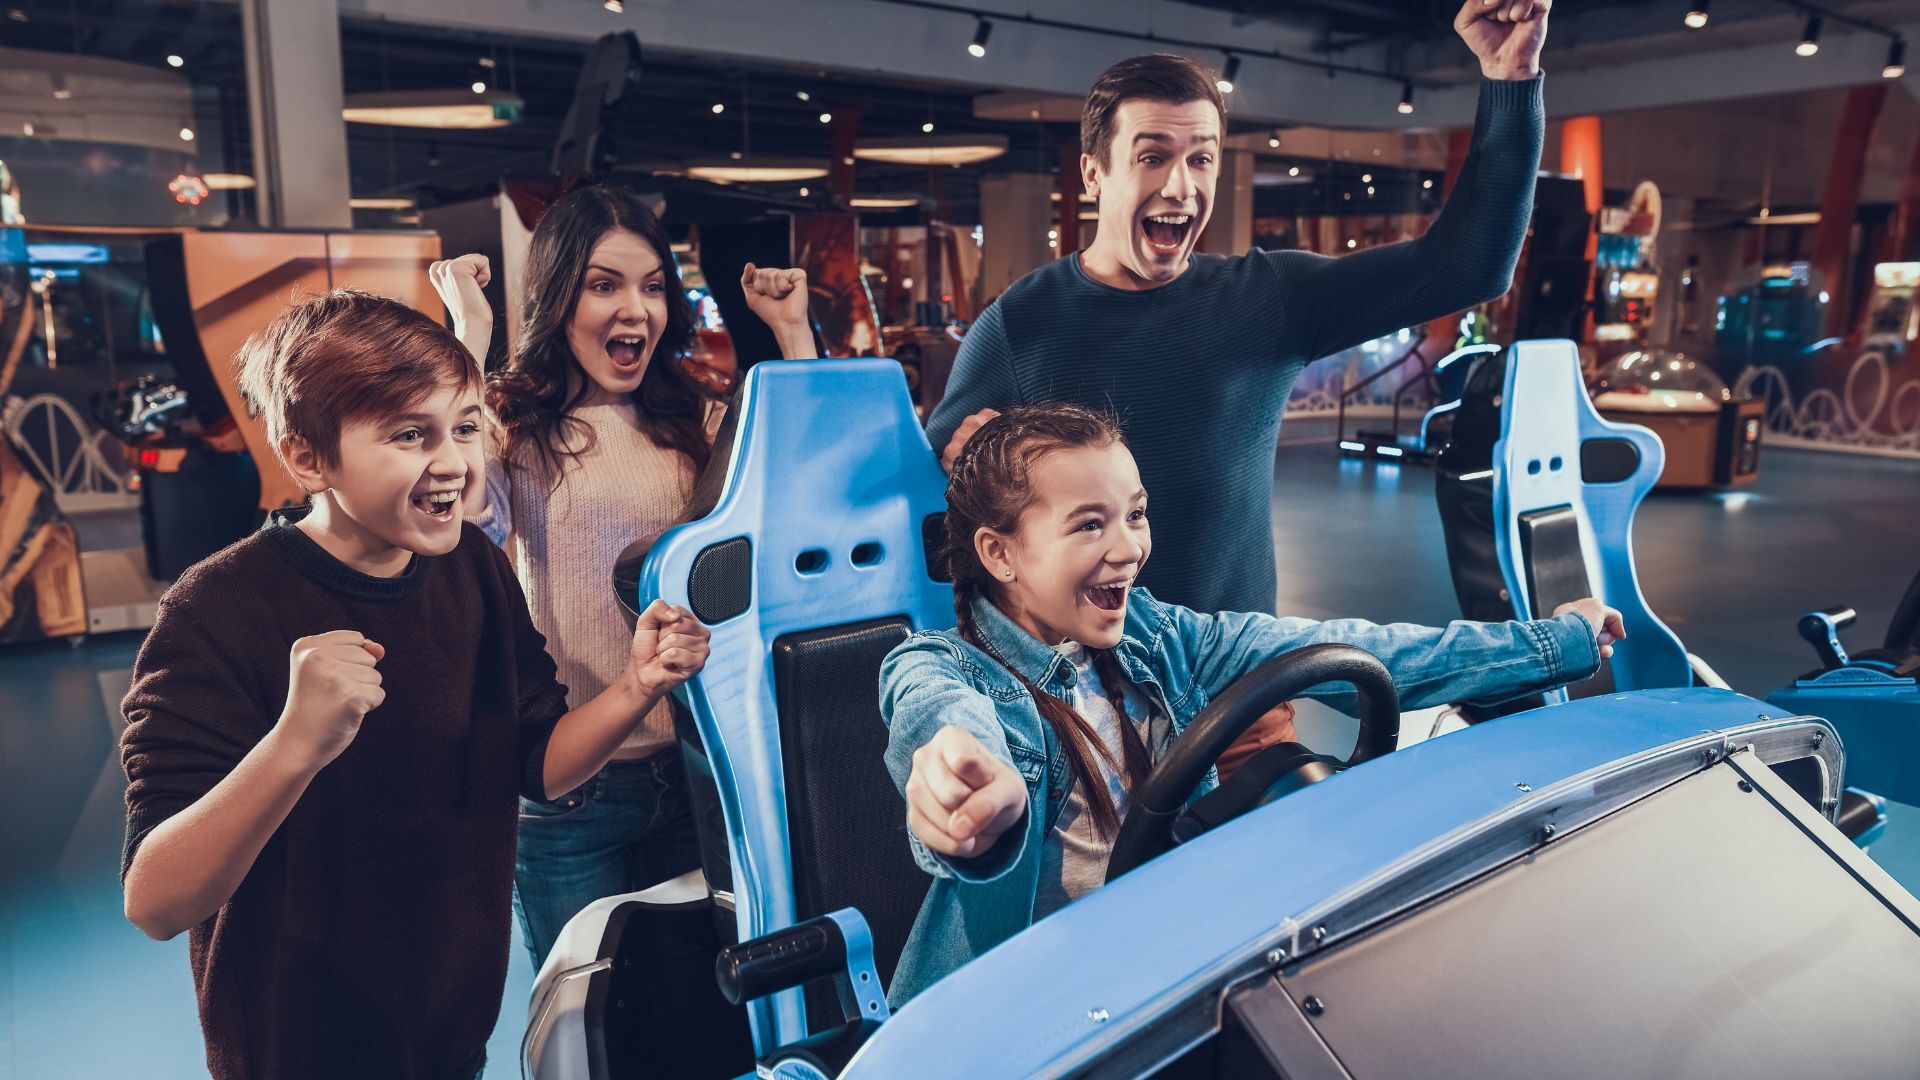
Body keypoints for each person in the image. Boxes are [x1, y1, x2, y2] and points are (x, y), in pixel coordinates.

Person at [118, 290, 711, 1078]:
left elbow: (537, 763)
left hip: (451, 1037)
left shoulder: (469, 568)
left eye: (465, 427)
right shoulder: (217, 609)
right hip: (296, 1052)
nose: (456, 463)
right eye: (409, 434)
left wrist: (638, 685)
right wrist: (295, 745)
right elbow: (156, 902)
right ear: (307, 457)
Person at [879, 403, 1619, 1002]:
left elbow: (1363, 647)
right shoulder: (944, 668)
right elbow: (940, 723)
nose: (1130, 547)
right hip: (1018, 1011)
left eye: (1134, 514)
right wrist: (966, 786)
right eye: (1089, 524)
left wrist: (1556, 644)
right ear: (1000, 553)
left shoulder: (1159, 635)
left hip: (1164, 974)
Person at [929, 0, 1554, 621]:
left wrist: (1511, 82)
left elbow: (1471, 264)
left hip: (1241, 685)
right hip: (1076, 696)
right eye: (1152, 157)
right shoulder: (1020, 324)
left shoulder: (1268, 296)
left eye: (1201, 158)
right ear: (1094, 174)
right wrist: (965, 471)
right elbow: (934, 523)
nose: (1181, 186)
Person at [428, 185, 816, 968]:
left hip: (701, 772)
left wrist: (794, 335)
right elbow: (455, 522)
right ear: (557, 296)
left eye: (651, 287)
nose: (635, 309)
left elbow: (806, 499)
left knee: (695, 1011)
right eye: (604, 285)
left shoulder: (694, 422)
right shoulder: (511, 427)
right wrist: (467, 338)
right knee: (588, 1024)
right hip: (575, 792)